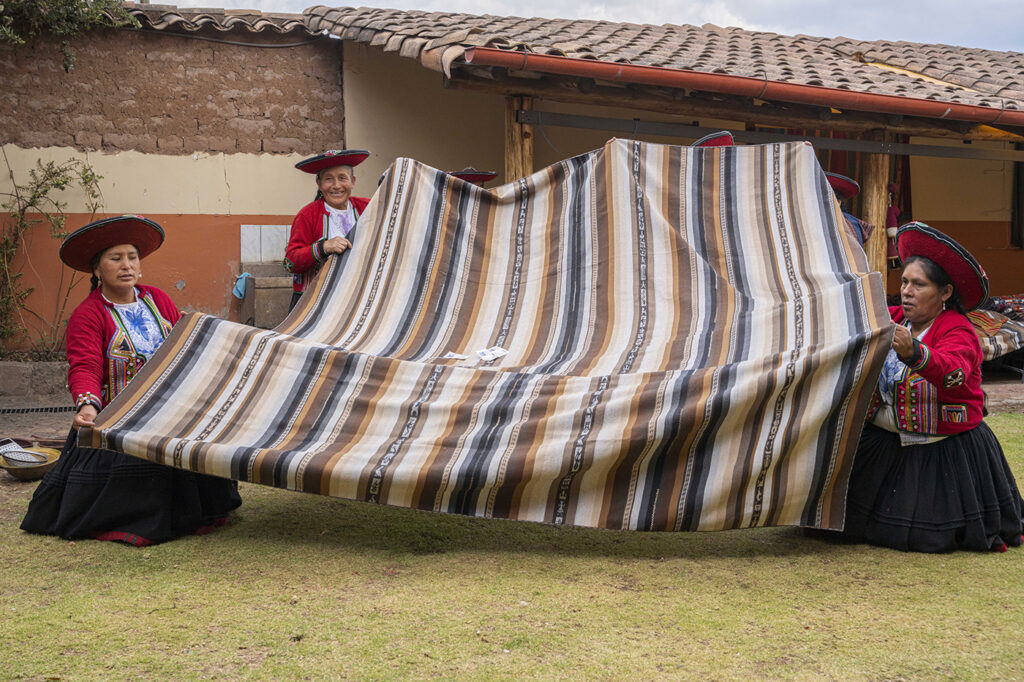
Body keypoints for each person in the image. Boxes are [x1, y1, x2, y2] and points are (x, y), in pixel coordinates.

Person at [21, 215, 242, 546]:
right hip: (119, 417)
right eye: (116, 258)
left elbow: (180, 345)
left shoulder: (157, 299)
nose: (127, 266)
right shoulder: (89, 314)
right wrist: (87, 405)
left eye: (132, 257)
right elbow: (85, 364)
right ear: (97, 270)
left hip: (168, 411)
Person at [842, 221, 1024, 552]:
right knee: (847, 527)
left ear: (945, 293)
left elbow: (954, 373)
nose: (908, 291)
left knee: (921, 535)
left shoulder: (958, 331)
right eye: (905, 282)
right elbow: (853, 318)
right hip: (884, 445)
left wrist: (915, 352)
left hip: (943, 450)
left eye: (919, 285)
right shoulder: (894, 318)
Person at [284, 149, 371, 310]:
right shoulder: (307, 215)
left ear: (353, 181)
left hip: (357, 298)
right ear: (319, 183)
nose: (336, 185)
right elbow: (290, 263)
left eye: (342, 178)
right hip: (315, 302)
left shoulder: (368, 207)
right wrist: (323, 247)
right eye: (328, 179)